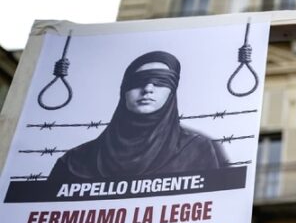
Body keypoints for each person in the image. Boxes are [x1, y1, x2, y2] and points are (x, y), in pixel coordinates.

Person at [49, 51, 228, 182]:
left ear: (172, 91)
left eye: (160, 81)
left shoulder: (198, 150)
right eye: (138, 82)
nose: (148, 89)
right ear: (124, 90)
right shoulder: (75, 161)